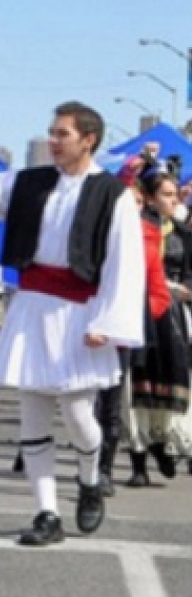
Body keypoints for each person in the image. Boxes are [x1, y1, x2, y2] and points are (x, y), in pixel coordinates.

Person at [0, 103, 144, 546]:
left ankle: (90, 479)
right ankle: (46, 513)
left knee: (79, 414)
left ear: (88, 139)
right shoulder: (31, 182)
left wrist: (109, 322)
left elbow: (123, 263)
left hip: (81, 311)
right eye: (52, 133)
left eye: (63, 134)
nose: (53, 141)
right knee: (32, 412)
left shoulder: (110, 193)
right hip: (33, 307)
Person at [123, 157, 191, 486]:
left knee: (172, 376)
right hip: (141, 309)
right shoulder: (136, 230)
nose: (174, 201)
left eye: (176, 195)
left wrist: (186, 289)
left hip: (174, 315)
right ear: (150, 198)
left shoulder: (181, 233)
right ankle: (138, 460)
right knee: (136, 380)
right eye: (167, 194)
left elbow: (189, 271)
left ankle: (163, 445)